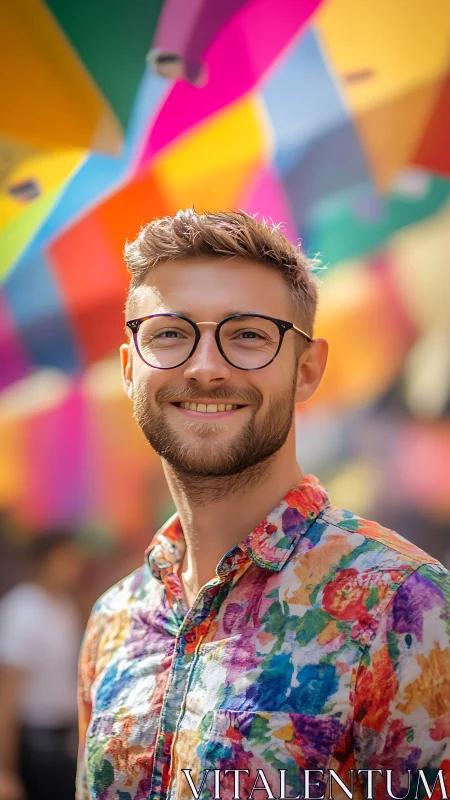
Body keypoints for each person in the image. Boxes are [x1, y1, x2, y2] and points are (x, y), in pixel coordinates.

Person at [77, 210, 450, 800]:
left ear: (307, 370)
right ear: (129, 369)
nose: (204, 367)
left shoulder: (405, 607)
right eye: (169, 333)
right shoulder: (113, 620)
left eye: (248, 334)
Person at [0, 532, 84, 800]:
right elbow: (7, 691)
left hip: (64, 739)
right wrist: (4, 769)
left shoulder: (65, 607)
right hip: (33, 741)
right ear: (47, 560)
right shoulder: (22, 608)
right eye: (66, 559)